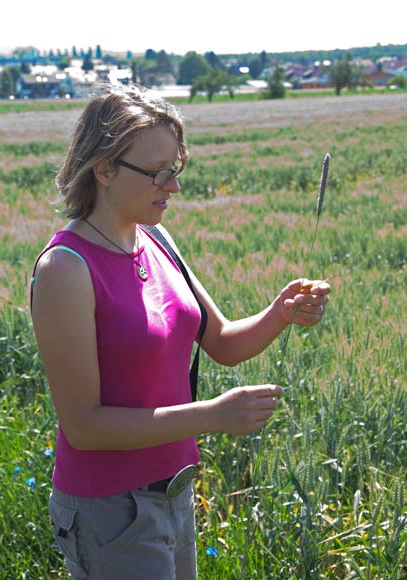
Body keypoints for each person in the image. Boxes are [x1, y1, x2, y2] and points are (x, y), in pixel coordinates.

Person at [30, 83, 330, 580]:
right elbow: (83, 425)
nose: (172, 187)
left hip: (173, 490)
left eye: (176, 168)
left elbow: (223, 343)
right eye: (157, 172)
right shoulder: (67, 267)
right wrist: (212, 415)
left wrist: (280, 312)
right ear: (103, 168)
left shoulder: (156, 239)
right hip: (110, 508)